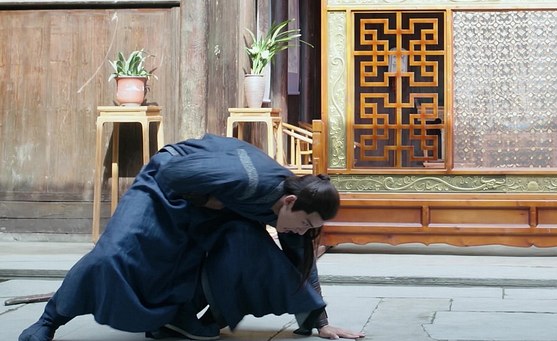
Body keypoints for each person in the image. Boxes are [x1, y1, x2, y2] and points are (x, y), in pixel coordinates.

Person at [19, 134, 365, 341]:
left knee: (247, 247)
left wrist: (321, 323)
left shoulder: (295, 215)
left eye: (310, 229)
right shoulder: (246, 180)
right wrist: (211, 200)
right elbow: (174, 171)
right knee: (115, 254)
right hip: (165, 185)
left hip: (212, 204)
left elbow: (301, 263)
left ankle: (173, 318)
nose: (302, 232)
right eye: (303, 223)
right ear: (289, 201)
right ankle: (49, 321)